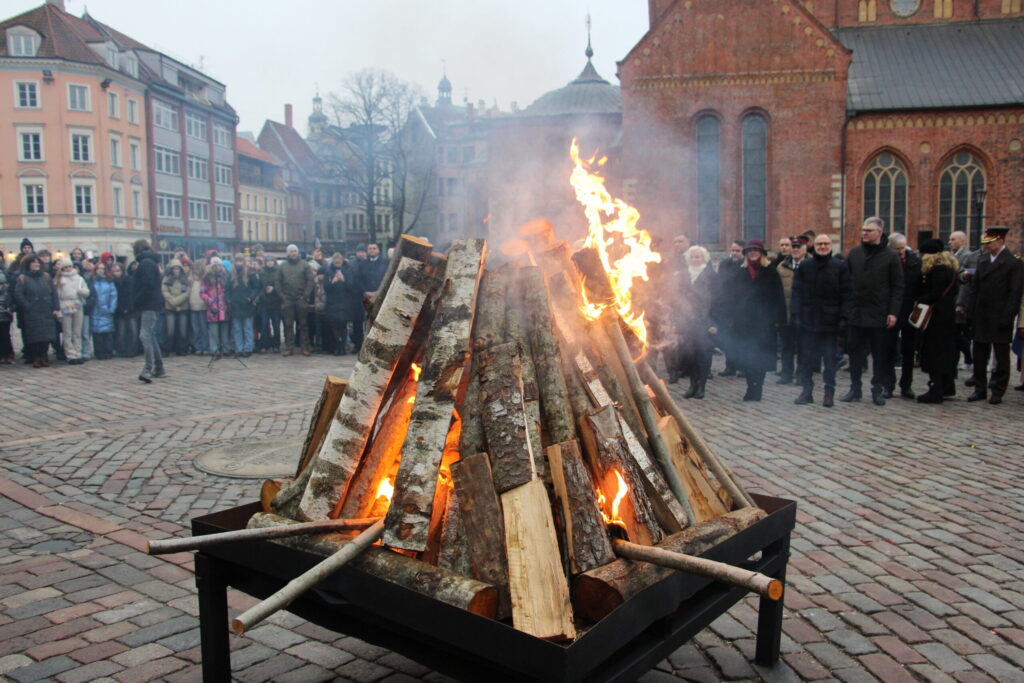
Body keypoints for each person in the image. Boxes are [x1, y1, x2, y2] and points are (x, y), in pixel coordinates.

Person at [842, 217, 904, 406]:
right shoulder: (854, 253)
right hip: (857, 312)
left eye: (869, 230)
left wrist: (893, 312)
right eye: (863, 230)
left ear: (879, 232)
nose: (864, 233)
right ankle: (855, 388)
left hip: (879, 313)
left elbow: (898, 287)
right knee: (855, 354)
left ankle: (877, 389)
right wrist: (848, 308)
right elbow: (846, 282)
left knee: (879, 355)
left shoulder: (891, 256)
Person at [965, 227, 1024, 405]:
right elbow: (974, 289)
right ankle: (980, 388)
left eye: (990, 243)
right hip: (981, 314)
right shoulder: (982, 260)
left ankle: (998, 389)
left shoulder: (1013, 263)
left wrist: (1008, 316)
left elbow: (1015, 293)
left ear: (1000, 241)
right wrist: (971, 311)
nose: (987, 247)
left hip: (999, 315)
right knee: (980, 354)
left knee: (1001, 355)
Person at [792, 234, 851, 406]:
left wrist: (843, 318)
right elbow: (797, 292)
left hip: (830, 321)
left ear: (831, 246)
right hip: (808, 320)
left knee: (830, 360)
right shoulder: (805, 265)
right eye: (819, 244)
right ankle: (807, 391)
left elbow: (847, 294)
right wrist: (796, 314)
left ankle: (829, 393)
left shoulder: (839, 266)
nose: (823, 246)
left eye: (826, 243)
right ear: (814, 246)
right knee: (807, 358)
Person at [729, 239, 786, 401]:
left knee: (760, 357)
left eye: (755, 250)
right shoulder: (741, 273)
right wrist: (734, 317)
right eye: (749, 251)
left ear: (761, 253)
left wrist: (778, 319)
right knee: (747, 357)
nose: (753, 253)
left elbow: (778, 296)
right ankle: (750, 386)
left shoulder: (771, 272)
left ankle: (757, 387)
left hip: (764, 323)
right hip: (745, 323)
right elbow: (734, 297)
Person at [914, 239, 960, 403]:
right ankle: (947, 386)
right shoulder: (951, 268)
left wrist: (918, 300)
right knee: (945, 350)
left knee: (935, 352)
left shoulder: (938, 270)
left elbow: (934, 293)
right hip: (947, 313)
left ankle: (936, 389)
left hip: (937, 315)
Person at [670, 246, 716, 398]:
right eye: (693, 256)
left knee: (703, 355)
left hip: (705, 322)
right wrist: (676, 321)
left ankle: (701, 386)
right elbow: (676, 300)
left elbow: (718, 302)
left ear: (704, 259)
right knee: (690, 355)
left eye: (699, 257)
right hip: (687, 321)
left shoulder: (711, 276)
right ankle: (692, 385)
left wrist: (714, 323)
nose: (695, 259)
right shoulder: (683, 276)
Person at [885, 233, 921, 399]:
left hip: (909, 310)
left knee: (908, 351)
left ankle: (906, 385)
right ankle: (889, 385)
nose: (902, 252)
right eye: (898, 249)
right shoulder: (887, 260)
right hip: (891, 310)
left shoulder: (914, 261)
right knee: (889, 350)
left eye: (903, 248)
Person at [13, 254, 59, 368]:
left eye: (38, 262)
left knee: (46, 336)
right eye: (34, 262)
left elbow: (54, 294)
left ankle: (44, 356)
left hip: (46, 309)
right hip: (32, 310)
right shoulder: (23, 278)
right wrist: (27, 306)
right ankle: (36, 357)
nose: (36, 264)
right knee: (35, 337)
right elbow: (18, 294)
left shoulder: (46, 276)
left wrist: (55, 307)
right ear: (29, 265)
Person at [775, 235, 808, 384]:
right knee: (786, 346)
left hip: (803, 313)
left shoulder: (810, 265)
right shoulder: (782, 266)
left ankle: (801, 374)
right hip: (786, 312)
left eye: (798, 247)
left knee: (802, 346)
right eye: (793, 247)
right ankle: (786, 373)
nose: (795, 250)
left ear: (804, 249)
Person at [132, 239, 165, 383]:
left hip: (149, 303)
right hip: (154, 302)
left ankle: (148, 368)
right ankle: (159, 367)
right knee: (150, 335)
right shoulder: (151, 262)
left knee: (145, 335)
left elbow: (146, 285)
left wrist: (137, 300)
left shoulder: (145, 263)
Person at [714, 239, 746, 376]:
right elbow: (719, 283)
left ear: (743, 251)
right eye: (733, 250)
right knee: (728, 339)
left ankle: (743, 367)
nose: (734, 253)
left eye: (737, 251)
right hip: (726, 306)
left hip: (741, 307)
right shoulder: (724, 264)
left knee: (742, 340)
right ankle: (730, 367)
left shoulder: (745, 265)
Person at [276, 244, 314, 356]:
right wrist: (282, 296)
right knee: (288, 325)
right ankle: (289, 347)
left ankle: (305, 347)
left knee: (303, 324)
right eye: (291, 252)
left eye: (295, 251)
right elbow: (277, 282)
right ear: (288, 253)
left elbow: (310, 281)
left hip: (301, 299)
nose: (293, 253)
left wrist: (305, 295)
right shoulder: (282, 266)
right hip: (287, 299)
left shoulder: (305, 265)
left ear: (298, 253)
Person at [322, 252, 362, 356]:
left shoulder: (348, 271)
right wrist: (334, 281)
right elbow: (326, 288)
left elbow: (352, 287)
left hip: (345, 303)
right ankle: (337, 346)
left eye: (339, 262)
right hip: (333, 303)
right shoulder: (328, 271)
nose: (337, 264)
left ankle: (343, 347)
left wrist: (343, 280)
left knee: (343, 326)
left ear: (342, 261)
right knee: (334, 326)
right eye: (335, 262)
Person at [55, 258, 90, 365]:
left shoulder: (79, 278)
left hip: (77, 304)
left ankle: (78, 353)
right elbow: (57, 296)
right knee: (67, 332)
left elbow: (87, 292)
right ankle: (70, 354)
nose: (68, 269)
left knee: (77, 331)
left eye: (69, 266)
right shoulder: (59, 280)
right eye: (65, 267)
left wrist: (82, 291)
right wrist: (59, 310)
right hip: (65, 305)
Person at [227, 255, 259, 358]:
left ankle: (248, 348)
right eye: (237, 261)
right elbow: (227, 289)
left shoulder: (250, 273)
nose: (239, 263)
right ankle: (239, 349)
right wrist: (229, 299)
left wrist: (251, 298)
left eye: (241, 261)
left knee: (247, 328)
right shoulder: (231, 274)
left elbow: (256, 288)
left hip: (247, 305)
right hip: (235, 305)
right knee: (237, 328)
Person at [201, 257, 231, 359]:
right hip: (212, 308)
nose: (217, 267)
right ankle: (214, 349)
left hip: (224, 307)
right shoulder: (207, 278)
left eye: (219, 265)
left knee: (224, 330)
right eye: (215, 265)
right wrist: (210, 301)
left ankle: (225, 349)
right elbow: (202, 292)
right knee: (213, 331)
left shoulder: (225, 276)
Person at [161, 259, 190, 356]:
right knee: (170, 330)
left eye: (178, 268)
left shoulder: (185, 279)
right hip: (170, 307)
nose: (176, 270)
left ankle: (182, 349)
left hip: (183, 307)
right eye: (174, 269)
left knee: (183, 331)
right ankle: (167, 349)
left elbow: (187, 293)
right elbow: (165, 292)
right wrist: (173, 302)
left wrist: (178, 302)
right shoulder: (166, 279)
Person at [91, 262, 118, 360]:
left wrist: (111, 309)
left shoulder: (109, 282)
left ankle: (108, 351)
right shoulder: (92, 281)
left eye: (102, 269)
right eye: (99, 269)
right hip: (95, 311)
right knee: (97, 334)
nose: (101, 271)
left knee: (107, 334)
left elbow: (113, 296)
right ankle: (99, 352)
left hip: (106, 310)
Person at [257, 256, 281, 353]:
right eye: (268, 261)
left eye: (271, 261)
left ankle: (276, 345)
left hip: (276, 302)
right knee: (264, 325)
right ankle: (264, 345)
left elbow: (281, 285)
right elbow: (258, 286)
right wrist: (263, 293)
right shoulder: (261, 272)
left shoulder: (278, 271)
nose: (269, 263)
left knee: (276, 325)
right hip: (264, 302)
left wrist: (274, 289)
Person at [188, 261, 209, 355]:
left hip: (203, 306)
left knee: (203, 328)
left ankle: (205, 346)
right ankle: (197, 347)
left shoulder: (205, 279)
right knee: (196, 328)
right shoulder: (190, 279)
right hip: (193, 306)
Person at [0, 253, 13, 364]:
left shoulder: (6, 272)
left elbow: (10, 289)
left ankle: (8, 354)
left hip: (4, 307)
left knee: (5, 333)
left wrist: (10, 305)